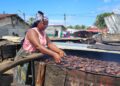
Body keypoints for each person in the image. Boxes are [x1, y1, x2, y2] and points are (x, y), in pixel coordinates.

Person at [14, 11, 65, 85]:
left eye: (47, 24)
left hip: (35, 55)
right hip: (25, 56)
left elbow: (50, 44)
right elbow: (38, 46)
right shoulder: (32, 31)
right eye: (44, 24)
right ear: (37, 22)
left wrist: (59, 51)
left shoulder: (43, 33)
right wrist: (54, 54)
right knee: (24, 77)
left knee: (33, 75)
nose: (46, 26)